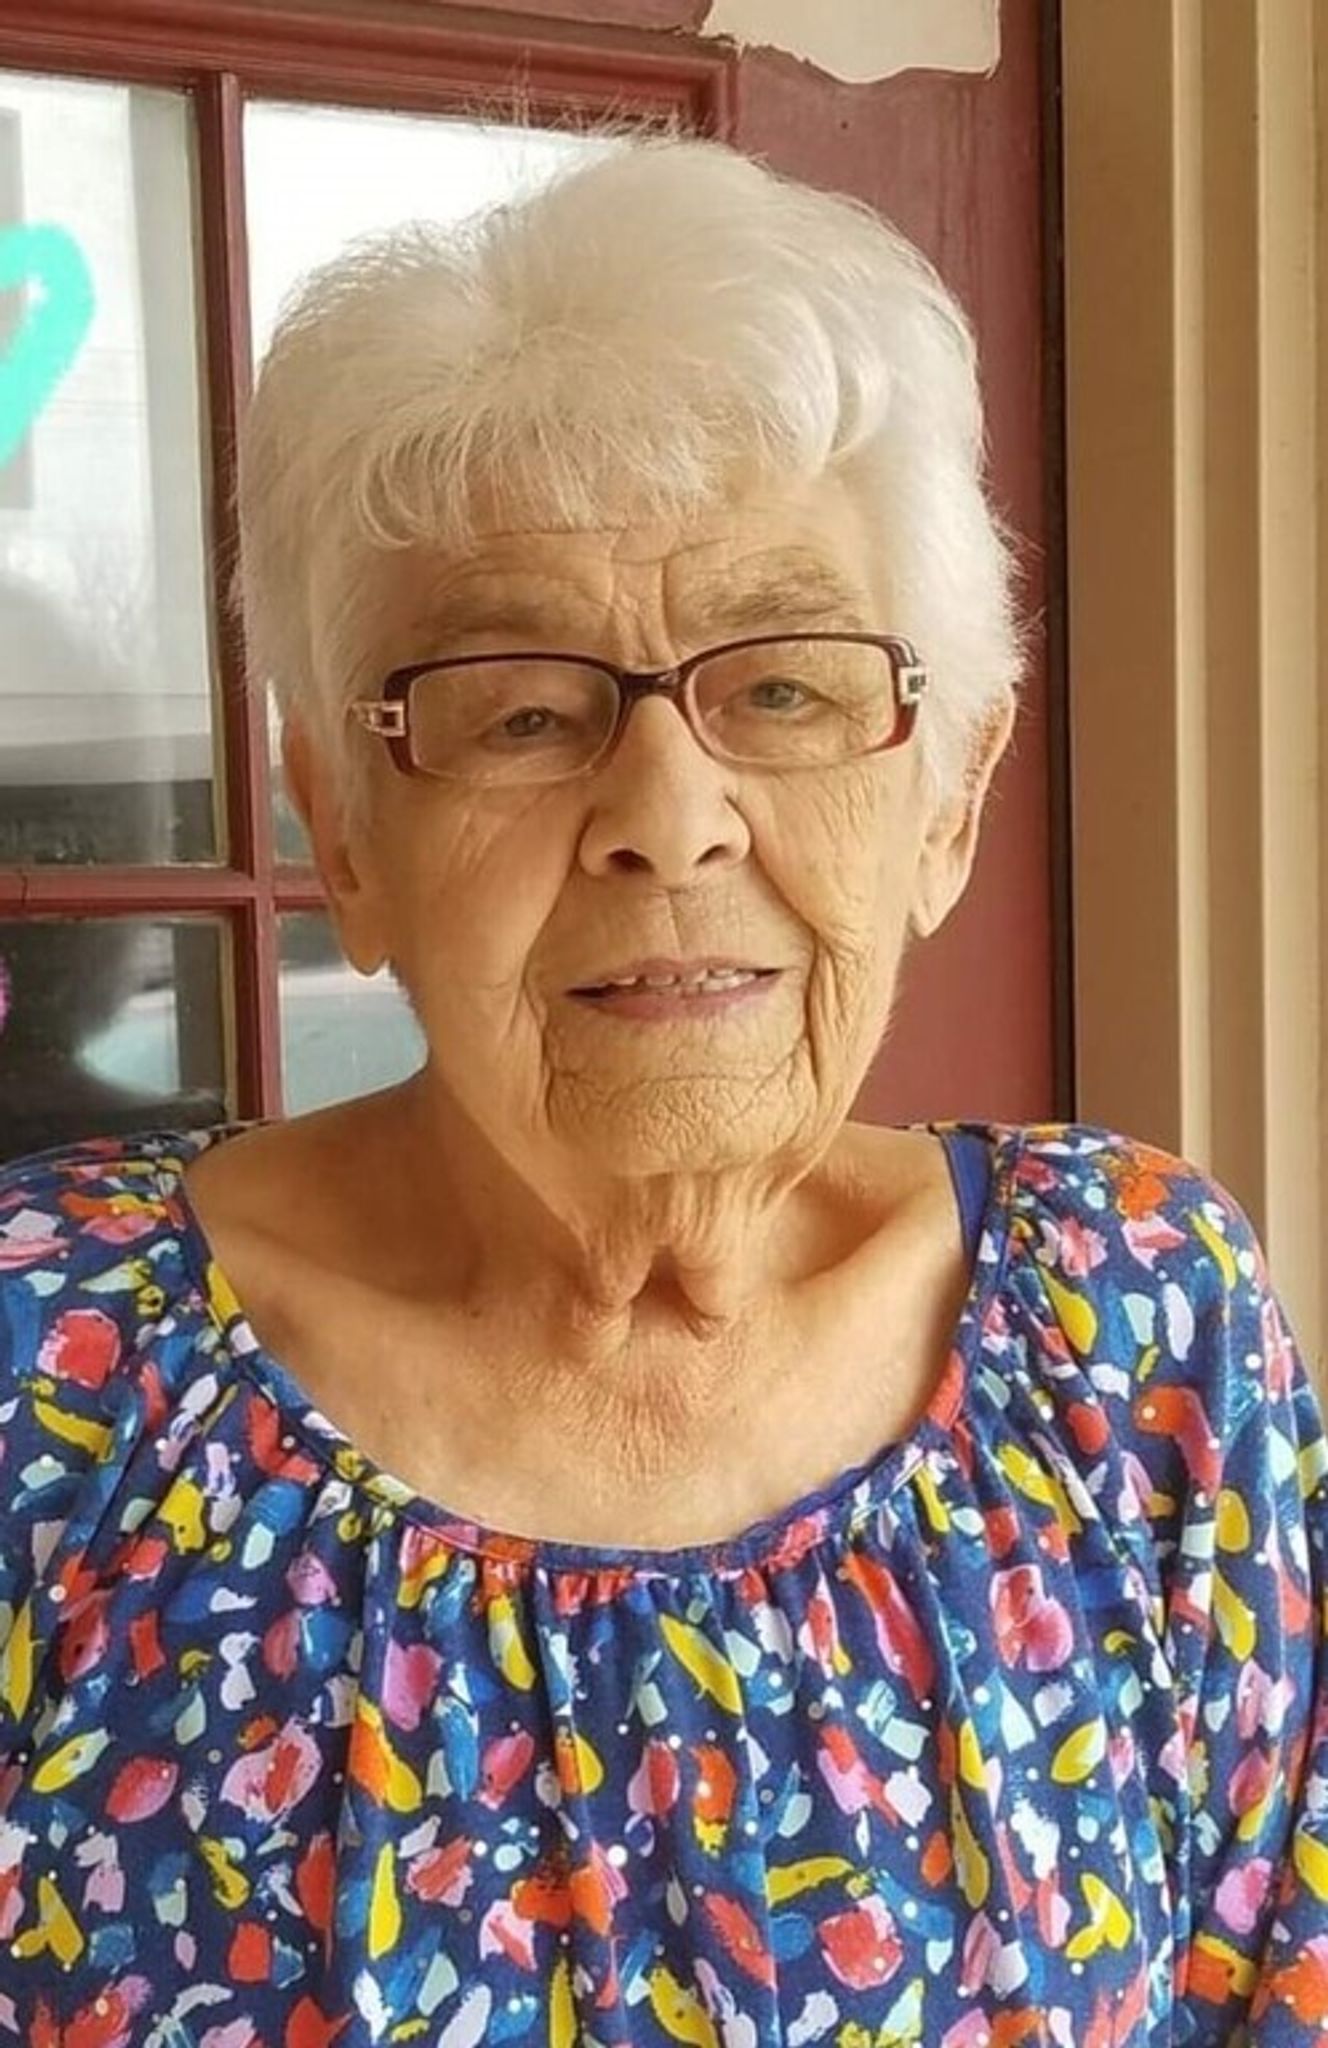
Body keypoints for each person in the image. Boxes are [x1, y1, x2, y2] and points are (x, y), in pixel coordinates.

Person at [1, 134, 1324, 2047]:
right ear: (343, 831)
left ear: (948, 797)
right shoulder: (52, 1365)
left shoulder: (1132, 1317)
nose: (670, 817)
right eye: (523, 711)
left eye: (784, 689)